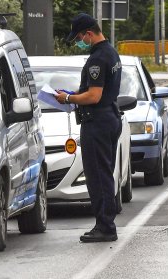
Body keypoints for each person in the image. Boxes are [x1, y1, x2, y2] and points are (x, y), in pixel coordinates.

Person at [56, 13, 123, 242]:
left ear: (89, 33)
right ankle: (105, 223)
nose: (78, 42)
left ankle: (105, 226)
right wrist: (74, 95)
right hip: (109, 117)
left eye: (79, 37)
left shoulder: (97, 59)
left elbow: (94, 96)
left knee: (97, 175)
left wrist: (67, 99)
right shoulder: (111, 53)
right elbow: (99, 92)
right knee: (105, 172)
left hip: (98, 122)